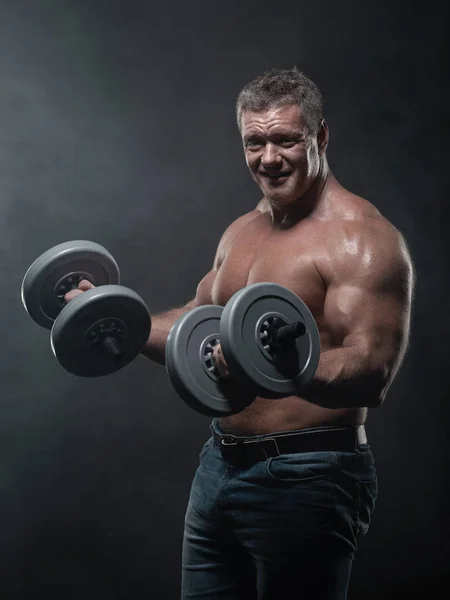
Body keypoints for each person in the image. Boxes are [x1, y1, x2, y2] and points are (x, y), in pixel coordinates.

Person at [67, 68, 414, 599]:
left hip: (310, 477)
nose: (268, 158)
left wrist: (268, 364)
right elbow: (196, 326)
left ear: (320, 136)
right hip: (219, 466)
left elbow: (372, 372)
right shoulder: (244, 230)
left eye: (285, 140)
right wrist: (113, 315)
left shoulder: (362, 240)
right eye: (255, 142)